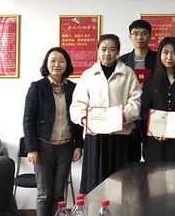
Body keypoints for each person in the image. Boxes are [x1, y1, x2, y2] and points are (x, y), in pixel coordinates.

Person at [70, 34, 142, 194]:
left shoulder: (128, 73)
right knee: (95, 182)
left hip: (121, 135)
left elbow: (135, 102)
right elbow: (77, 105)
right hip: (95, 137)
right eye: (103, 49)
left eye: (112, 49)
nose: (107, 54)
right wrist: (85, 119)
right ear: (97, 50)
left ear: (118, 52)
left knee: (121, 183)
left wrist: (120, 117)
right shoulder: (88, 74)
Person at [22, 47, 83, 216]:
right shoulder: (37, 87)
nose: (57, 64)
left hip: (66, 147)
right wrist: (32, 148)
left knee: (59, 194)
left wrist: (79, 145)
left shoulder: (74, 88)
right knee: (44, 194)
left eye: (61, 61)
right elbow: (28, 120)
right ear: (46, 64)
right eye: (53, 61)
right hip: (43, 147)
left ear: (67, 64)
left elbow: (77, 120)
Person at [141, 37, 175, 162]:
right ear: (160, 54)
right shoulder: (151, 80)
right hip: (157, 140)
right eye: (165, 52)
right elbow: (144, 109)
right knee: (156, 173)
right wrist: (153, 129)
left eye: (174, 53)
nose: (169, 57)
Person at [119, 19, 156, 161]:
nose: (139, 37)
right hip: (130, 116)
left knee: (151, 157)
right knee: (129, 157)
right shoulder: (122, 61)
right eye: (135, 34)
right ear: (130, 36)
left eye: (144, 33)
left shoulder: (158, 58)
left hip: (152, 114)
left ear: (150, 36)